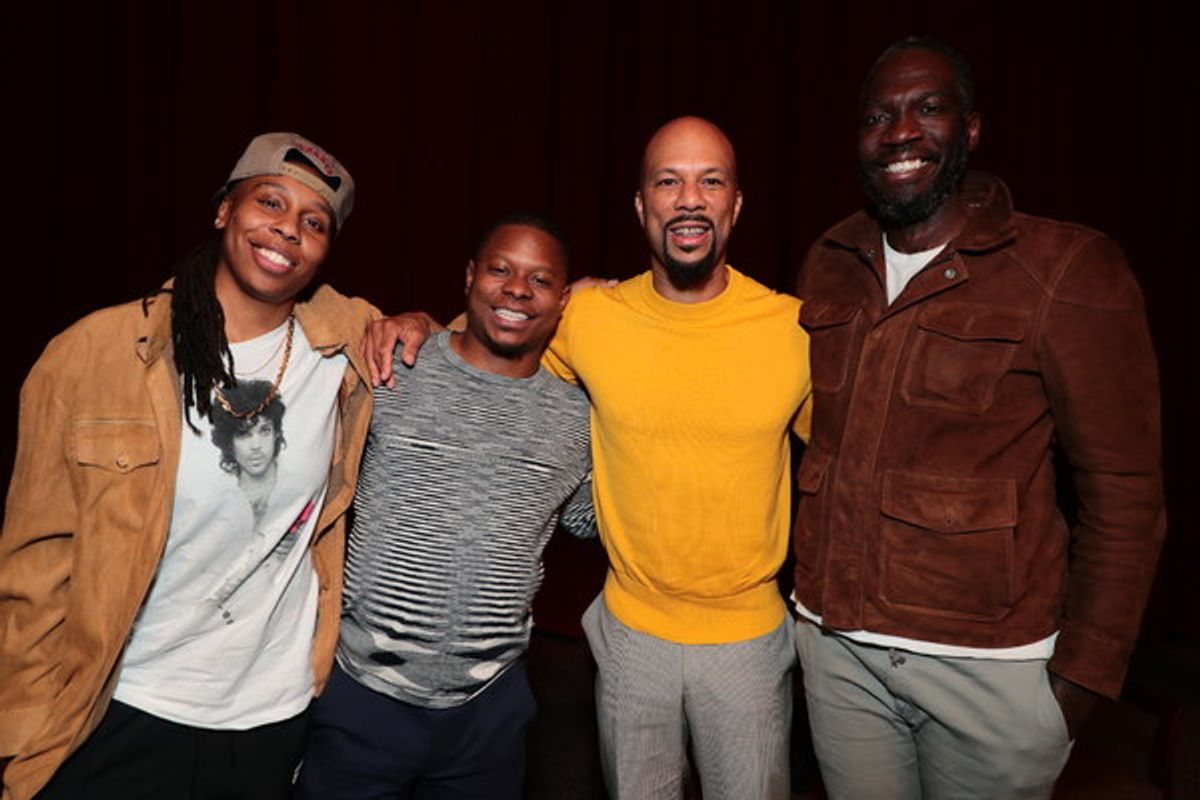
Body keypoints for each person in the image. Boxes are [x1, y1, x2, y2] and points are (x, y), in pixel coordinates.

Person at [367, 116, 814, 800]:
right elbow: (496, 333)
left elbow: (856, 459)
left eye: (710, 181)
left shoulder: (792, 328)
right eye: (669, 182)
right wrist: (418, 326)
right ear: (642, 206)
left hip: (749, 641)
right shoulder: (591, 317)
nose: (689, 199)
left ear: (736, 204)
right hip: (629, 634)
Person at [791, 36, 1166, 799]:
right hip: (836, 658)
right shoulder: (829, 258)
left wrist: (1077, 689)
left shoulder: (1065, 270)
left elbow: (1125, 496)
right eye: (877, 116)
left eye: (927, 109)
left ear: (971, 129)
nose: (899, 132)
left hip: (990, 672)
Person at [0, 132, 379, 800]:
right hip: (116, 704)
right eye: (270, 201)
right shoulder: (94, 354)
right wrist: (20, 728)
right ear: (222, 211)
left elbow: (479, 336)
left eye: (313, 223)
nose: (287, 230)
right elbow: (34, 564)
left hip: (268, 717)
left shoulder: (345, 352)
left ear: (324, 254)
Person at [294, 213, 593, 799]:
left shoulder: (577, 418)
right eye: (500, 270)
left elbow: (591, 522)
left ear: (562, 300)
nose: (516, 290)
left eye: (539, 280)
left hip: (489, 712)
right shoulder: (392, 368)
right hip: (360, 693)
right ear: (469, 277)